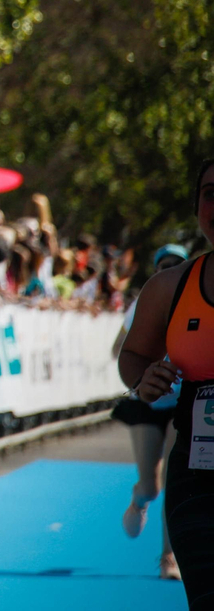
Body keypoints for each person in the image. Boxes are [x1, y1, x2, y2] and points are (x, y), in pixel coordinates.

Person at [119, 158, 214, 605]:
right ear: (197, 208)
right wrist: (144, 378)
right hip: (197, 479)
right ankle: (163, 549)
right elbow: (132, 354)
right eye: (210, 195)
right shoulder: (169, 287)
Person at [113, 244, 189, 580]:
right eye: (163, 264)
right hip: (146, 402)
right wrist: (145, 364)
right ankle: (140, 498)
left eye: (176, 264)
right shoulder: (142, 303)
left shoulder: (195, 298)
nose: (169, 269)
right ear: (155, 270)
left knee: (175, 480)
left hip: (182, 402)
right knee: (152, 485)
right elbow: (118, 350)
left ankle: (168, 557)